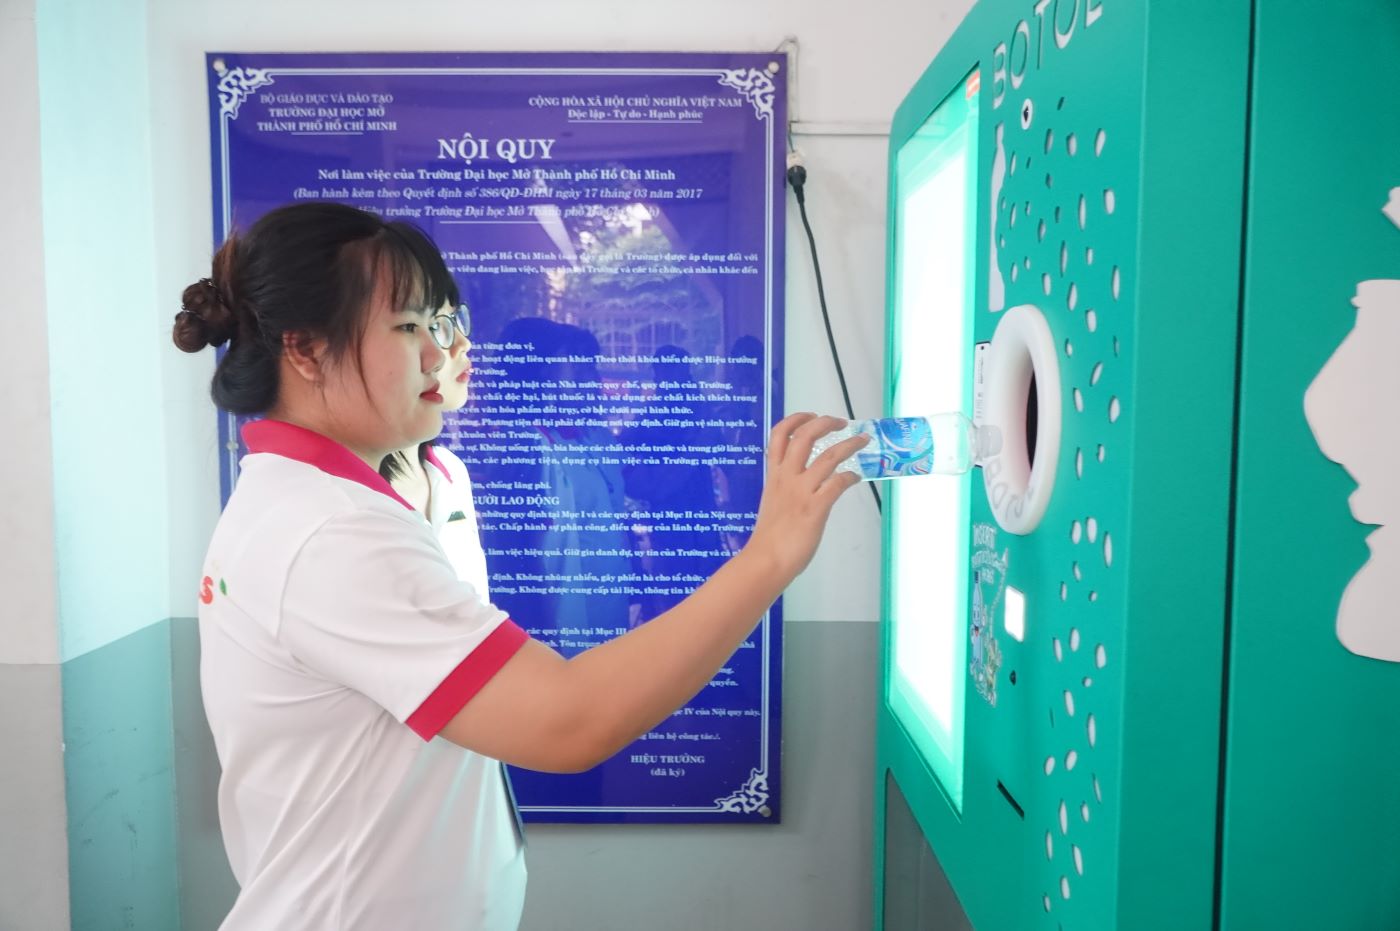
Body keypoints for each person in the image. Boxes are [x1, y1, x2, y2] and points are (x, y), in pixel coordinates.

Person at [171, 201, 867, 930]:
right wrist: (770, 557)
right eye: (410, 328)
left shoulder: (418, 476)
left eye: (445, 324)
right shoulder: (329, 533)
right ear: (307, 350)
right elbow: (568, 721)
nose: (441, 353)